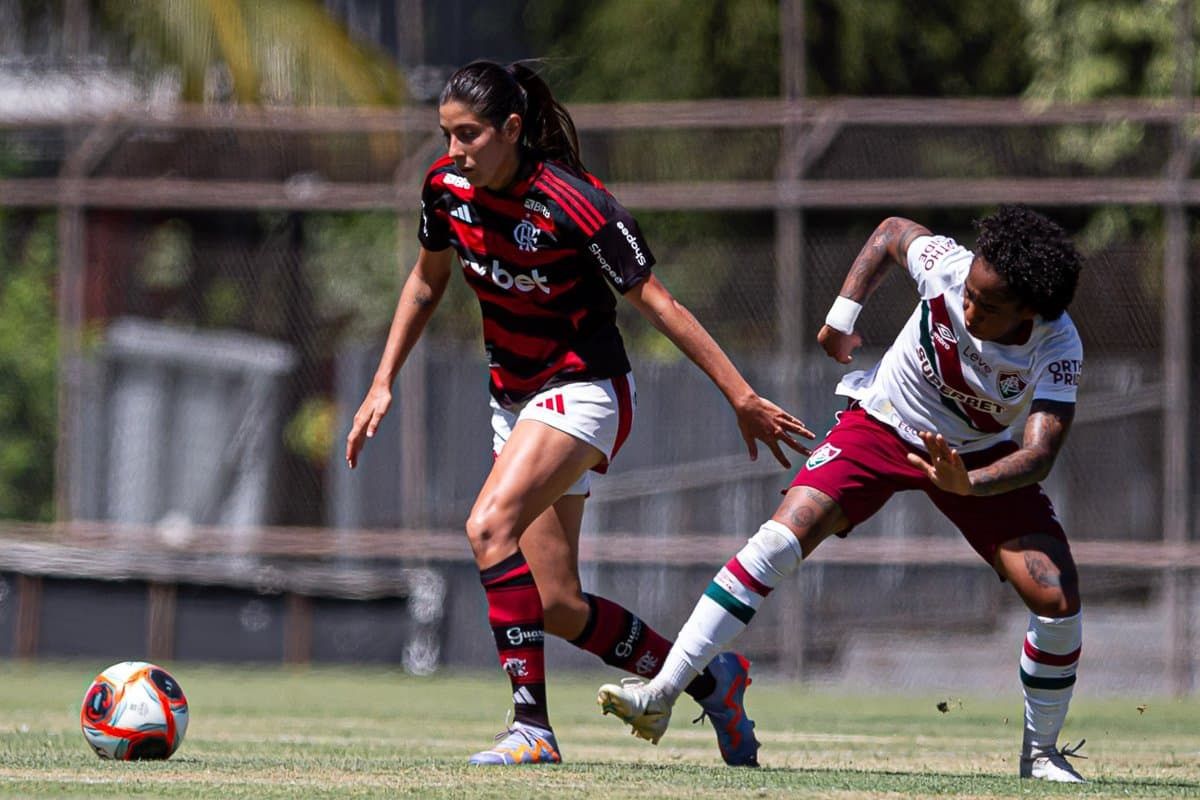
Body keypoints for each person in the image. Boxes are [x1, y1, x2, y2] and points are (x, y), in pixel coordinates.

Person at [345, 59, 814, 767]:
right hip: (514, 399)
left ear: (511, 128)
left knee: (487, 526)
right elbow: (426, 280)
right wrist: (383, 381)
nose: (454, 150)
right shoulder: (444, 189)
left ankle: (531, 730)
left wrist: (741, 396)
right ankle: (710, 680)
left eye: (469, 135)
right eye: (446, 134)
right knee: (557, 605)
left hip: (586, 390)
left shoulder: (576, 203)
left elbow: (661, 304)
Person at [597, 206, 1088, 782]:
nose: (967, 307)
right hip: (883, 421)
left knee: (1056, 599)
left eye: (987, 306)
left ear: (1029, 311)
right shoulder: (948, 267)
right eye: (968, 294)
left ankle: (1041, 755)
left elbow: (1040, 453)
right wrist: (841, 315)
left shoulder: (1058, 345)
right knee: (780, 537)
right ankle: (661, 693)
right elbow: (891, 232)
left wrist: (969, 482)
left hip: (973, 456)